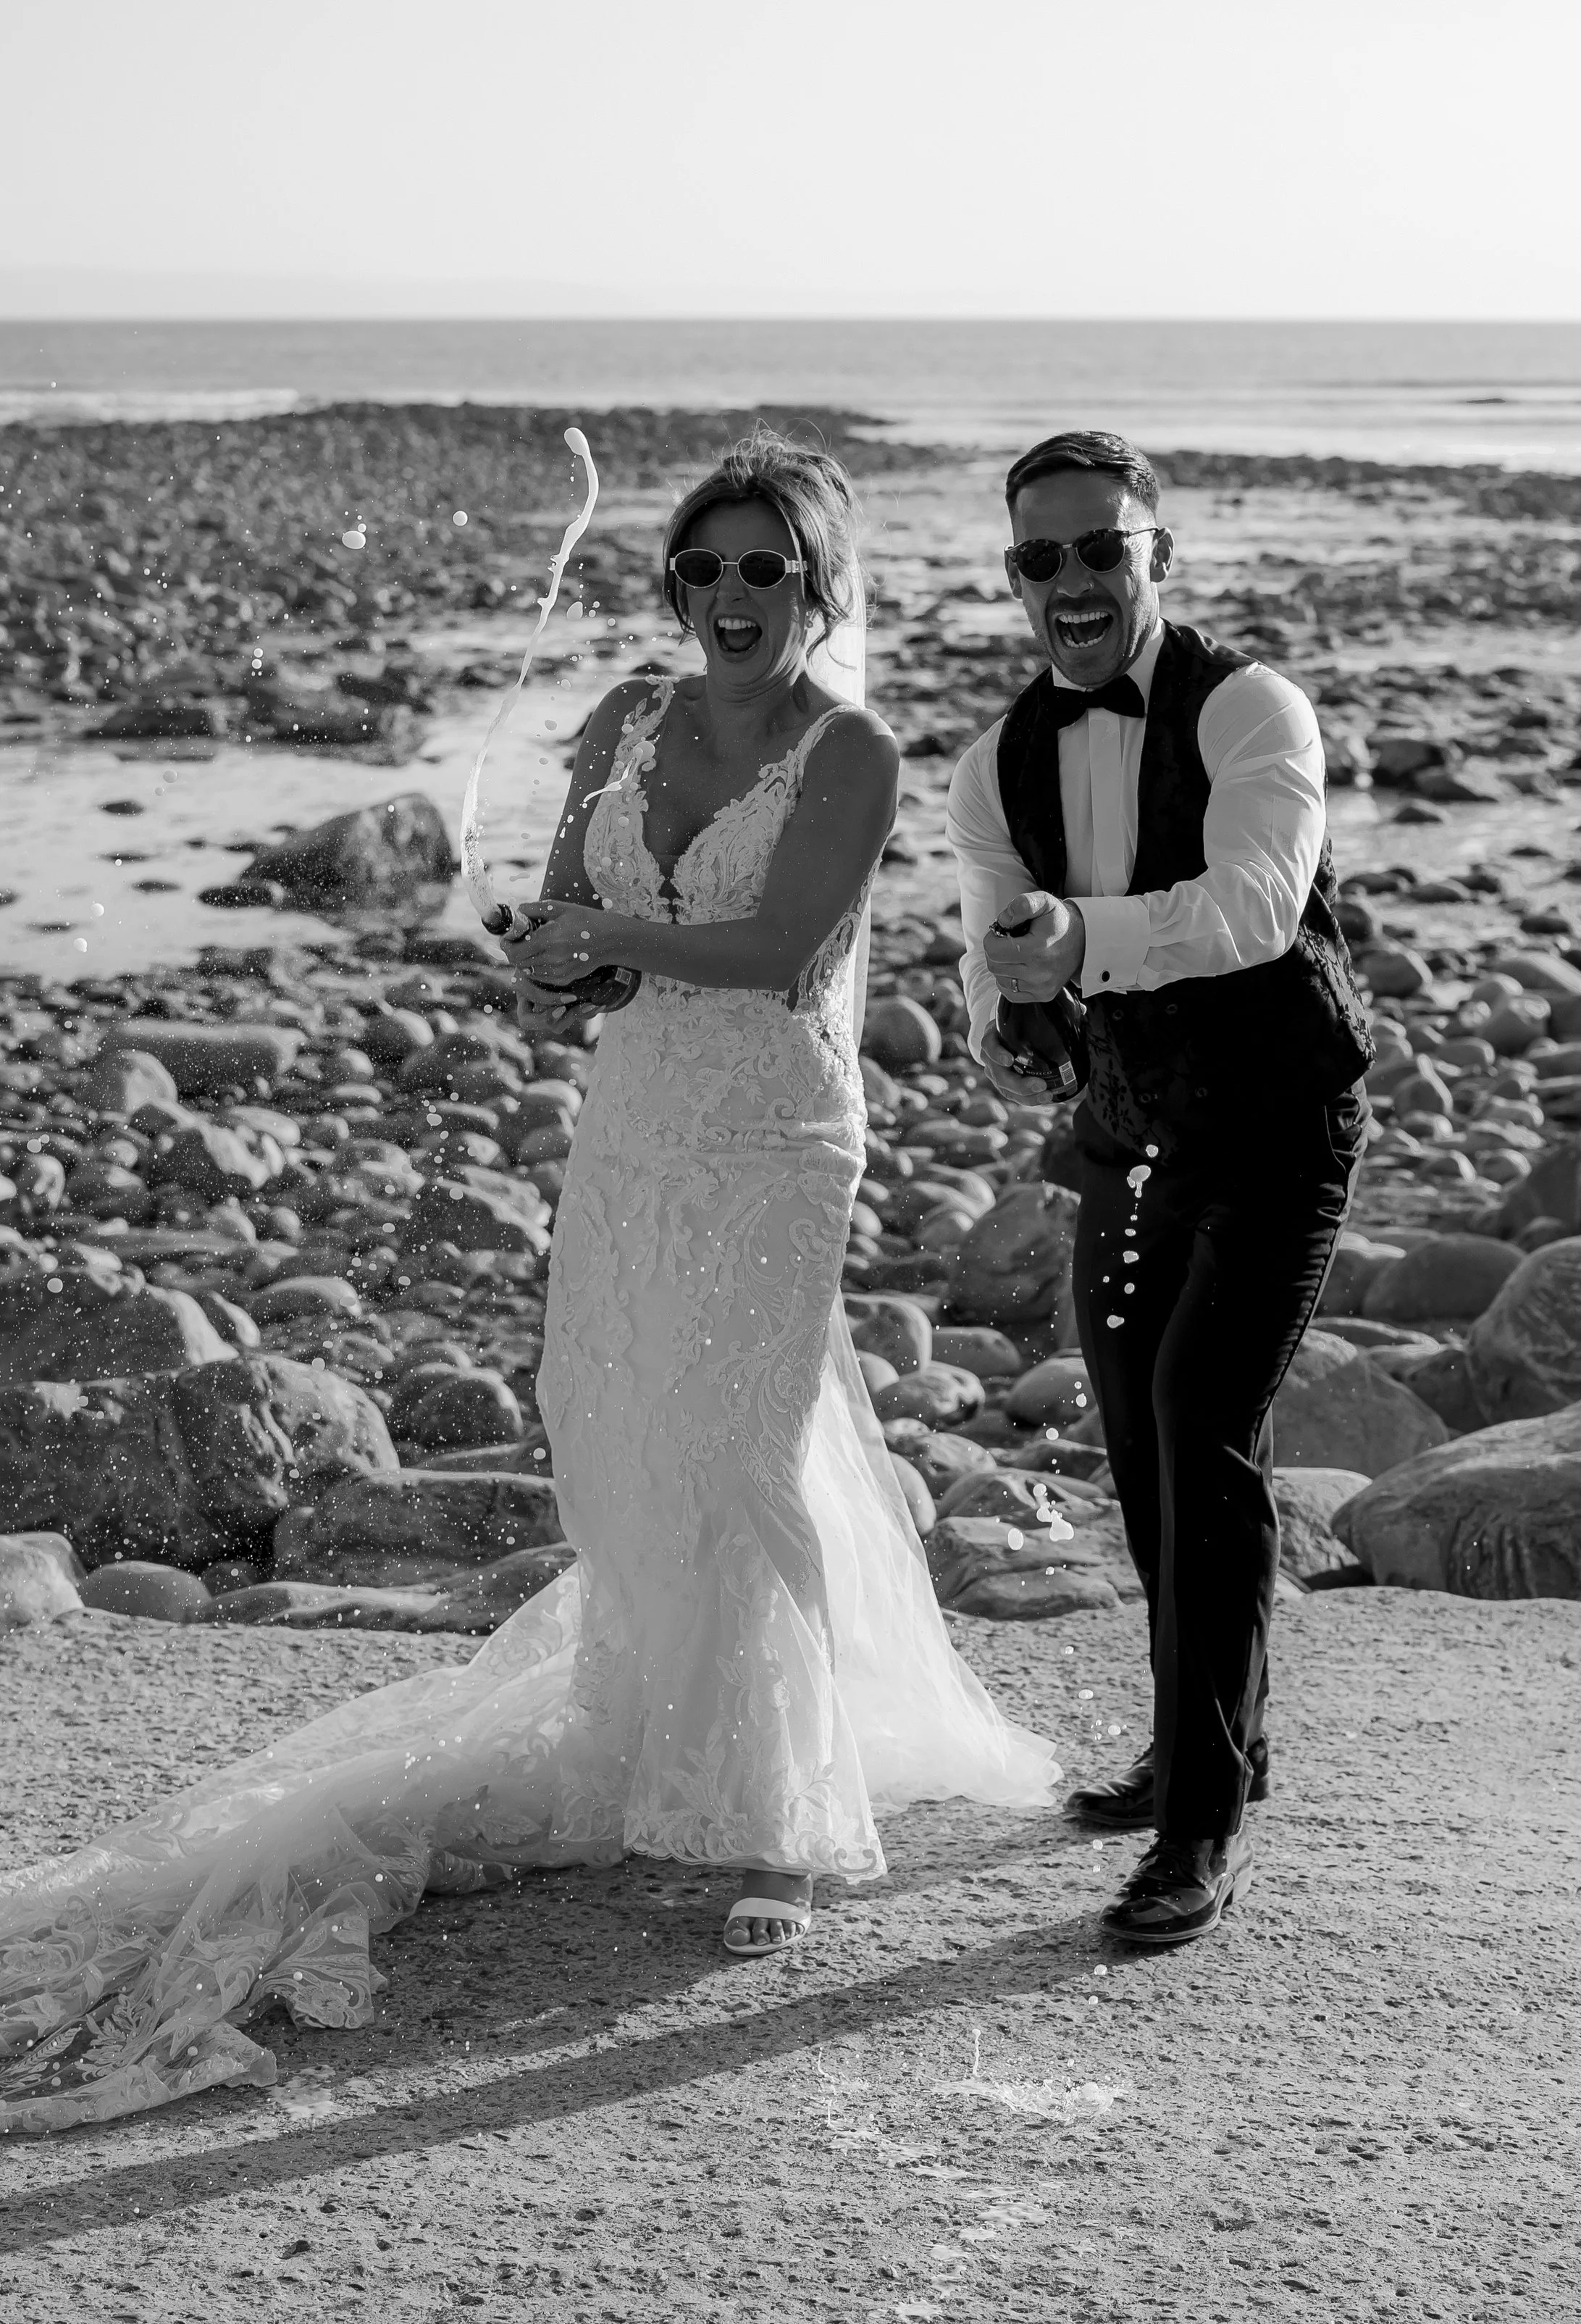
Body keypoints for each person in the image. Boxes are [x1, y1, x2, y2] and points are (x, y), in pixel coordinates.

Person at [0, 430, 1055, 2138]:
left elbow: (787, 951)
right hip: (634, 1126)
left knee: (743, 1448)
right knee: (612, 1428)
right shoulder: (622, 725)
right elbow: (570, 914)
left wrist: (612, 944)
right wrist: (549, 964)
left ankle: (777, 1809)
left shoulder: (848, 751)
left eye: (764, 568)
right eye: (701, 569)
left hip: (775, 1141)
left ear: (819, 583)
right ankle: (660, 1740)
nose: (728, 597)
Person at [946, 429, 1372, 1950]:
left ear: (1155, 556)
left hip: (1275, 1126)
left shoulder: (1252, 707)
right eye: (1038, 558)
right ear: (1015, 577)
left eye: (1098, 550)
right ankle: (1214, 1740)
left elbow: (1257, 909)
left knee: (1200, 1432)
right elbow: (994, 954)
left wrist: (1081, 946)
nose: (1070, 579)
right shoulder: (992, 763)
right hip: (1130, 1139)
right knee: (1137, 1442)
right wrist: (1006, 1014)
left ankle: (1201, 1825)